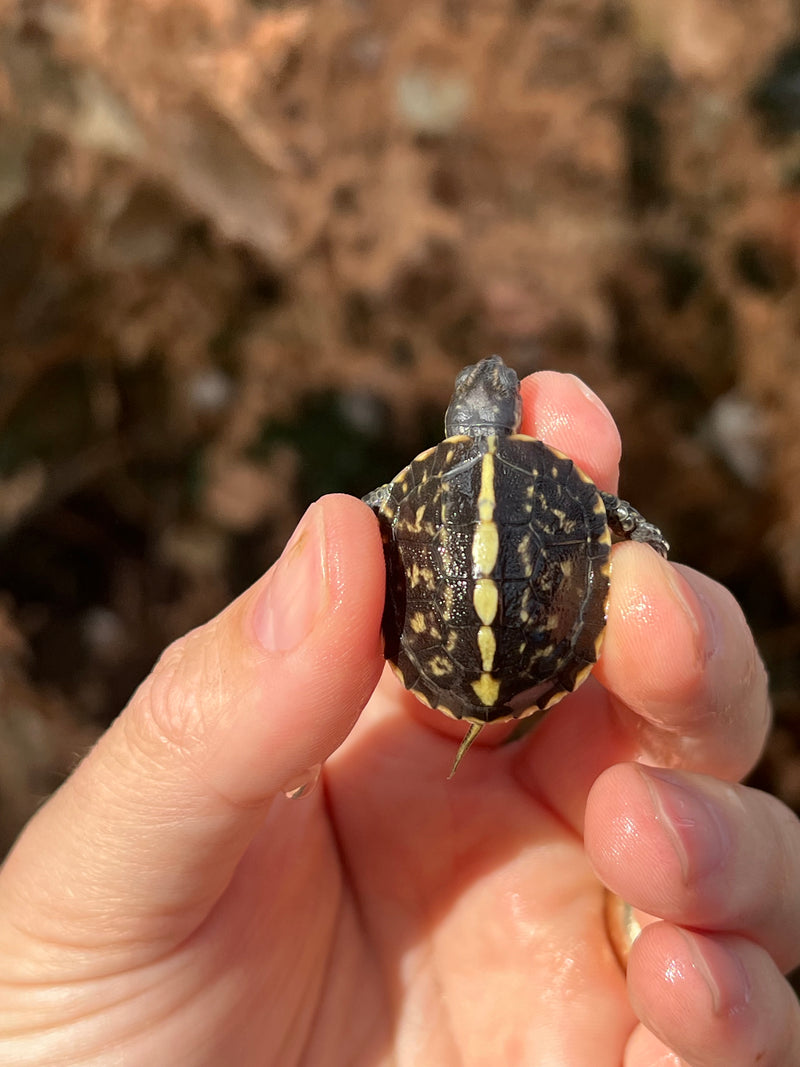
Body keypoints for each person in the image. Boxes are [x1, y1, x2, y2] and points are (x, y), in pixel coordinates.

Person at [0, 371, 797, 1067]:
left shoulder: (416, 485)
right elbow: (601, 513)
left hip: (444, 667)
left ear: (458, 418)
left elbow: (379, 514)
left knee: (671, 696)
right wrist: (637, 529)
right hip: (532, 657)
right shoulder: (555, 480)